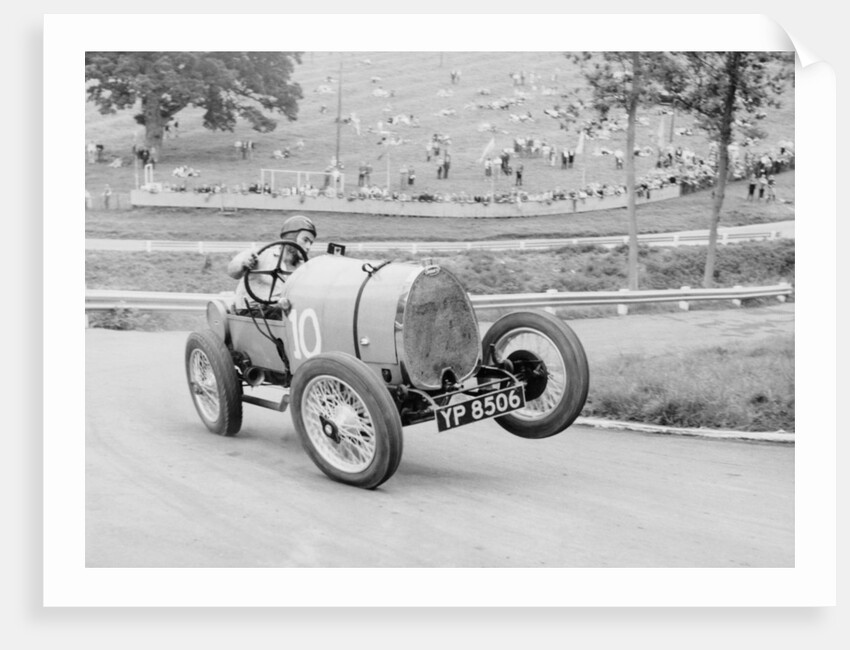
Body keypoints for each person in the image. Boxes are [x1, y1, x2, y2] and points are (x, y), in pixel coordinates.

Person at [227, 215, 317, 316]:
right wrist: (244, 264)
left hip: (281, 311)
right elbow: (232, 271)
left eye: (311, 243)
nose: (308, 246)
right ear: (291, 238)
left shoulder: (302, 268)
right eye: (305, 240)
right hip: (251, 311)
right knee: (281, 313)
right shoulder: (260, 254)